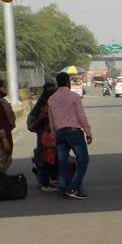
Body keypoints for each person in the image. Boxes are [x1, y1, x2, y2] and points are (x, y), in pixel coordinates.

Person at [48, 71, 92, 199]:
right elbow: (81, 116)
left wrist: (53, 133)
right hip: (74, 132)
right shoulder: (74, 97)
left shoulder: (51, 99)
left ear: (57, 83)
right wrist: (87, 131)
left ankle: (63, 188)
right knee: (83, 160)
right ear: (68, 82)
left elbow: (51, 120)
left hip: (60, 133)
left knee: (62, 162)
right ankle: (73, 188)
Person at [27, 82, 58, 192]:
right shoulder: (44, 110)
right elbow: (32, 125)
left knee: (47, 159)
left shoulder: (40, 106)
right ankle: (45, 183)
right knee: (45, 159)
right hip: (46, 139)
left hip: (45, 138)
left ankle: (47, 180)